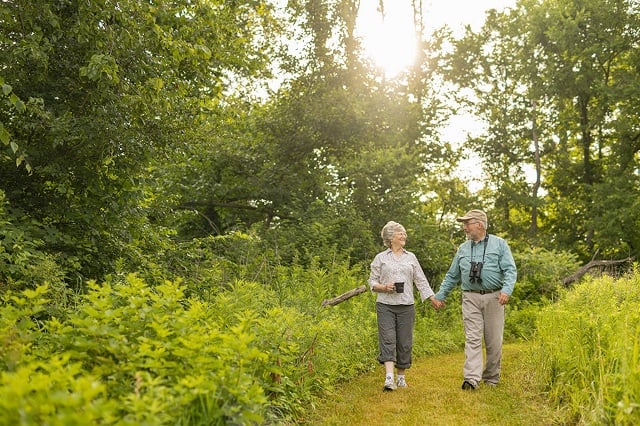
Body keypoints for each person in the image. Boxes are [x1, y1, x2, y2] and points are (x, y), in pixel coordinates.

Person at [434, 209, 517, 390]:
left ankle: (491, 378)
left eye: (467, 223)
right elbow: (452, 275)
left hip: (495, 297)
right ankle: (471, 378)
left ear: (479, 224)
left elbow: (510, 270)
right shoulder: (463, 249)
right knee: (472, 338)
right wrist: (440, 295)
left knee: (493, 340)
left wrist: (506, 290)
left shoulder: (499, 244)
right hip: (470, 297)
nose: (464, 228)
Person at [368, 221, 443, 391]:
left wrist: (432, 298)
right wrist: (384, 287)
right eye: (400, 233)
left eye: (404, 233)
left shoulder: (411, 257)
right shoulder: (381, 258)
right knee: (387, 339)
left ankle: (401, 377)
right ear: (390, 237)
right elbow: (372, 281)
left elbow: (421, 280)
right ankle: (389, 378)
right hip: (385, 304)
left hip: (406, 306)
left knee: (404, 342)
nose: (404, 236)